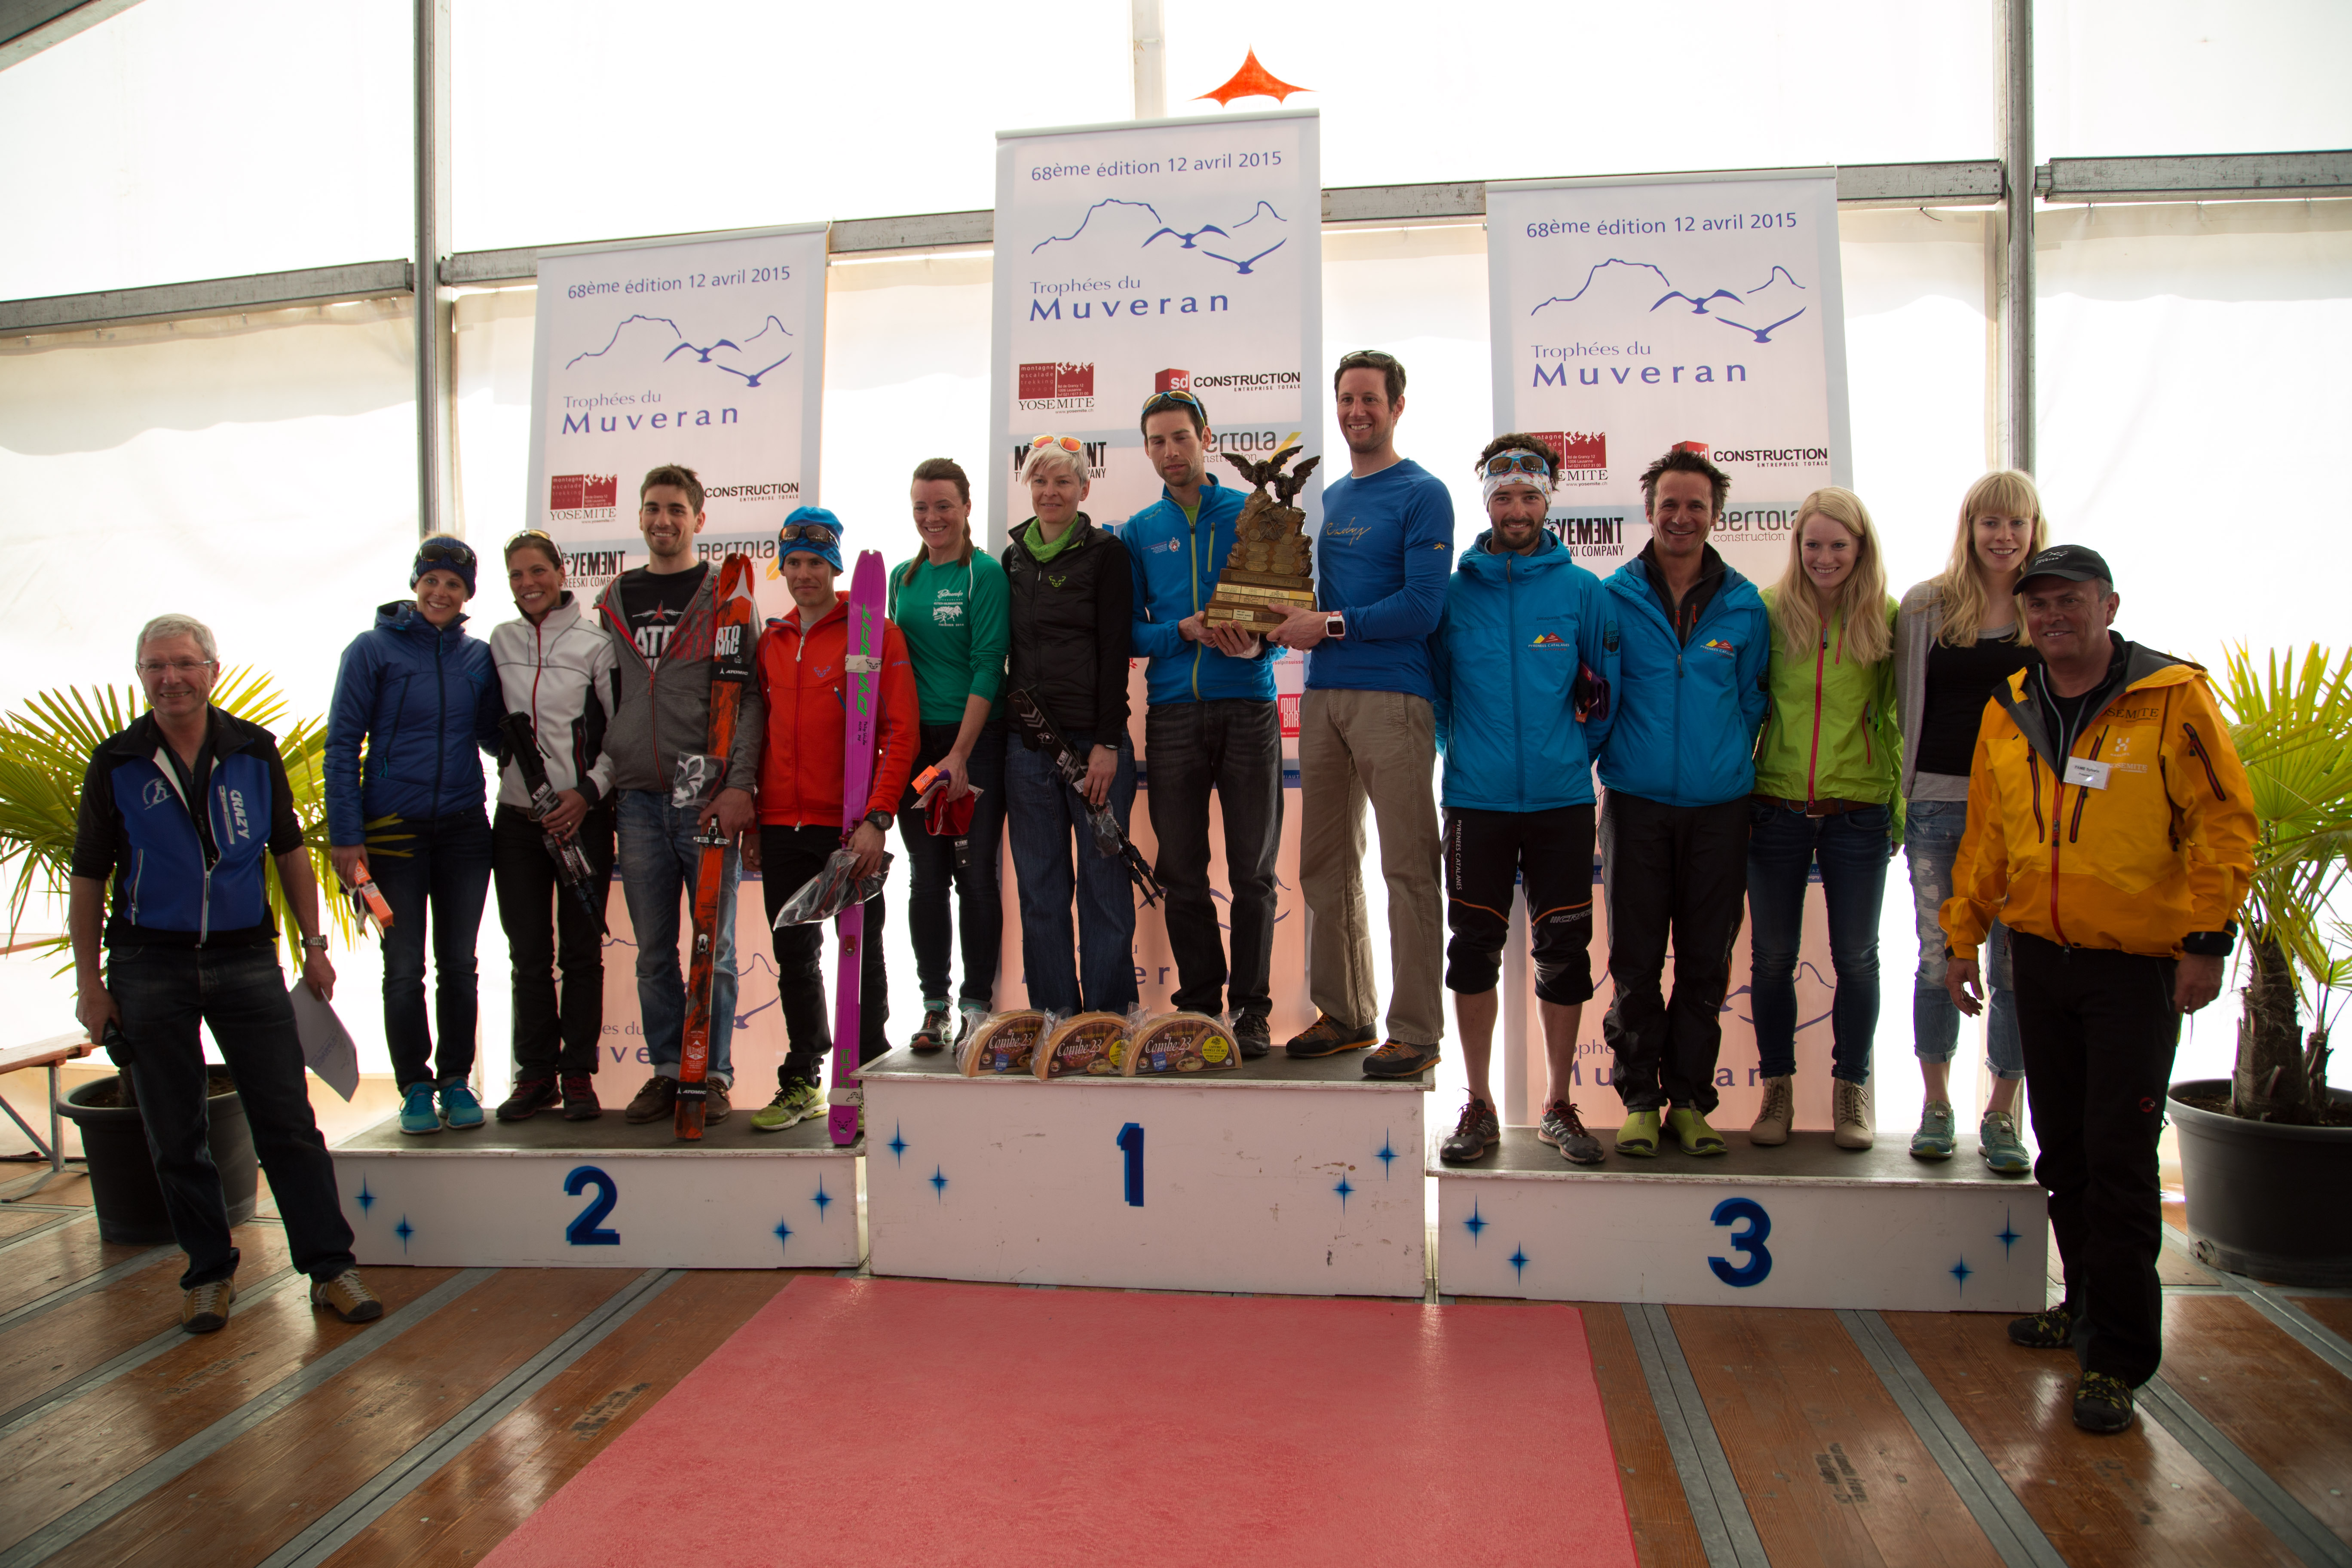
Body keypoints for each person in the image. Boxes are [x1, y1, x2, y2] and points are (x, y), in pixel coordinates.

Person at [1942, 543, 2254, 1435]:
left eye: (2070, 601)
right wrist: (1963, 935)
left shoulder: (2173, 697)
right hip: (2040, 959)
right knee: (2066, 1154)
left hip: (2134, 967)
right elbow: (1987, 832)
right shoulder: (2010, 705)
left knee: (2119, 1161)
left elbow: (2224, 822)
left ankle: (2116, 1359)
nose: (2053, 617)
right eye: (2039, 604)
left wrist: (2207, 942)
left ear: (2109, 605)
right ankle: (2082, 1309)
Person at [70, 614, 382, 1333]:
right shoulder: (116, 761)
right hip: (149, 963)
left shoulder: (253, 749)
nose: (170, 678)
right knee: (176, 1134)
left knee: (288, 1123)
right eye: (155, 666)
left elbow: (289, 851)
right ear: (140, 675)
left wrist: (314, 944)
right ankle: (208, 1273)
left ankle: (331, 1268)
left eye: (184, 663)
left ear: (212, 670)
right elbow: (88, 875)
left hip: (246, 959)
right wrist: (91, 983)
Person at [1431, 436, 1617, 1165]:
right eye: (1503, 497)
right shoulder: (1454, 592)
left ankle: (1558, 1104)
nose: (1517, 509)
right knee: (1472, 950)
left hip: (1561, 802)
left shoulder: (1582, 592)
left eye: (1529, 497)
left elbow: (1604, 695)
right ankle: (1478, 1104)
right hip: (1474, 801)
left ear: (1548, 502)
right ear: (1487, 502)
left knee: (1564, 954)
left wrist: (1569, 756)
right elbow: (1438, 697)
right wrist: (1464, 753)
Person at [1267, 349, 1453, 1078]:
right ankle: (1346, 1013)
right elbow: (1316, 600)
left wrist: (1329, 625)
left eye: (1370, 399)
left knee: (1408, 869)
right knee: (1326, 866)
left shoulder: (1424, 492)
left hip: (1394, 696)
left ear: (1396, 406)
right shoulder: (1334, 497)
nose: (1356, 412)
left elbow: (1423, 607)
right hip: (1324, 696)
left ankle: (1416, 1030)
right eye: (1346, 399)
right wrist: (1268, 615)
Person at [1594, 447, 1770, 1157]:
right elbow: (1599, 692)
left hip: (1720, 810)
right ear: (1649, 511)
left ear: (1715, 515)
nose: (1682, 516)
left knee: (1705, 962)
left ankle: (1691, 1103)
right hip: (1635, 804)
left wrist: (1717, 764)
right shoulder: (1613, 597)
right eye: (1669, 503)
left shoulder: (1745, 605)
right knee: (1636, 961)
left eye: (1696, 505)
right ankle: (1640, 1100)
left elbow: (1752, 701)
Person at [593, 465, 765, 1126]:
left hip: (706, 796)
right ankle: (669, 1068)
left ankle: (711, 1073)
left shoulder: (725, 594)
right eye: (652, 508)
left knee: (714, 948)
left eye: (675, 509)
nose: (663, 520)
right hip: (637, 798)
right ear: (640, 516)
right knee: (653, 952)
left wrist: (740, 783)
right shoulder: (616, 596)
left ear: (699, 519)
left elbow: (749, 695)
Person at [1895, 471, 2048, 1171]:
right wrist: (1904, 794)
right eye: (1990, 522)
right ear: (1970, 528)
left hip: (2022, 815)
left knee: (2013, 965)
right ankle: (1936, 1104)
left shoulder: (2046, 607)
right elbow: (1907, 703)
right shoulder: (1926, 605)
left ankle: (2002, 1112)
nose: (2003, 536)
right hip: (1937, 803)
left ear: (2033, 530)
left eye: (2016, 523)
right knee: (1938, 957)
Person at [747, 508, 919, 1132]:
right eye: (793, 563)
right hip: (780, 822)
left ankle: (868, 1074)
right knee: (794, 954)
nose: (803, 575)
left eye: (815, 563)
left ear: (835, 567)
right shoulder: (772, 641)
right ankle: (804, 1080)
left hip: (846, 826)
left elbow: (900, 732)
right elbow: (758, 733)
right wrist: (755, 820)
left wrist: (878, 816)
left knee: (861, 952)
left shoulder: (875, 633)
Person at [325, 536, 502, 1137]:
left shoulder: (478, 657)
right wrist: (347, 835)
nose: (441, 593)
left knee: (459, 963)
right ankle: (415, 1087)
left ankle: (455, 1079)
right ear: (415, 584)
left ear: (467, 594)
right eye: (432, 581)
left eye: (454, 584)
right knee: (403, 967)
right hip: (392, 834)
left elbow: (494, 736)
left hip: (464, 830)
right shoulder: (371, 650)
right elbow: (341, 745)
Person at [1125, 386, 1282, 1057]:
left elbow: (1283, 616)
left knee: (1253, 873)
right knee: (1182, 872)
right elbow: (1130, 631)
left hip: (1248, 708)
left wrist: (1259, 646)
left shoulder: (1254, 514)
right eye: (1157, 441)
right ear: (1147, 450)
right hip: (1172, 716)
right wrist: (1181, 631)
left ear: (1206, 438)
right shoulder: (1138, 532)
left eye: (1181, 437)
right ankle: (1198, 1005)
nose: (1171, 451)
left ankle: (1251, 1009)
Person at [1746, 488, 1901, 1152]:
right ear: (1797, 546)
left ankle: (1851, 1091)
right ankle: (1776, 1090)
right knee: (1773, 957)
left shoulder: (1887, 617)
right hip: (1776, 805)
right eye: (1813, 544)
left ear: (1861, 548)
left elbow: (1896, 717)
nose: (1824, 557)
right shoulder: (1768, 610)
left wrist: (1896, 808)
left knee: (1857, 958)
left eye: (1839, 545)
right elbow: (1746, 702)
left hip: (1858, 810)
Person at [1001, 434, 1139, 1016]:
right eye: (1040, 481)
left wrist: (1107, 741)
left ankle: (1109, 1021)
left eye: (1063, 481)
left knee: (1105, 888)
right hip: (1028, 749)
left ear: (1084, 488)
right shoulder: (1011, 560)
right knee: (1041, 892)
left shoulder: (1107, 554)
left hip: (1093, 747)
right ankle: (1057, 1020)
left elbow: (1115, 652)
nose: (1050, 492)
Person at [487, 531, 619, 1122]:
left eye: (538, 571)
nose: (528, 583)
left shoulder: (596, 643)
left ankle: (578, 1073)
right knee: (528, 954)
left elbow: (619, 735)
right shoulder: (499, 641)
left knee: (582, 953)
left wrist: (587, 794)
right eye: (517, 575)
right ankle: (536, 1074)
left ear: (561, 573)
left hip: (579, 821)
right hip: (516, 823)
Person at [890, 459, 1010, 1050]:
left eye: (943, 505)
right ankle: (934, 1007)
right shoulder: (901, 577)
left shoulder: (983, 575)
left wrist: (959, 755)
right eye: (921, 507)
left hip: (974, 746)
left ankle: (976, 1007)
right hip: (916, 749)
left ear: (966, 507)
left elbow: (988, 665)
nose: (932, 517)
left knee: (976, 877)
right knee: (926, 879)